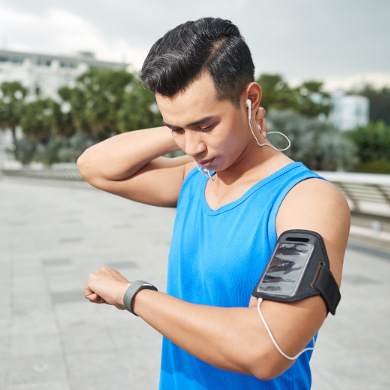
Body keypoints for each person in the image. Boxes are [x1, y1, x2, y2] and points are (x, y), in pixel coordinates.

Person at [78, 17, 350, 389]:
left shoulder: (309, 201)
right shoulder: (194, 177)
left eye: (206, 126)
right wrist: (185, 123)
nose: (192, 148)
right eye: (177, 129)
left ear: (250, 99)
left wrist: (132, 295)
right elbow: (94, 167)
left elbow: (266, 346)